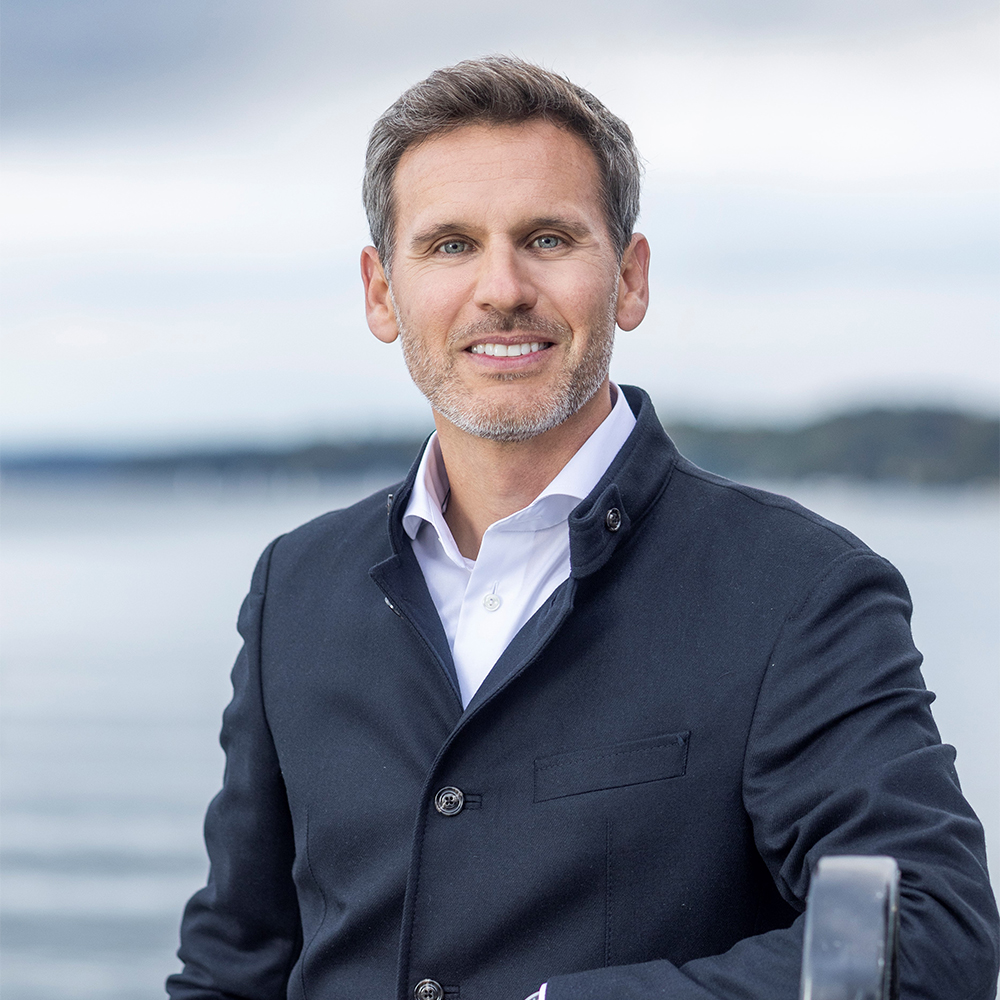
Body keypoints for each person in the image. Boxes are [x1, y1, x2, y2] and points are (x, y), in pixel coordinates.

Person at [167, 56, 998, 1000]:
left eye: (548, 238)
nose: (502, 288)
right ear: (381, 294)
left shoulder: (797, 590)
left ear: (629, 279)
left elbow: (923, 938)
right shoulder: (296, 585)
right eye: (450, 245)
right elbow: (233, 965)